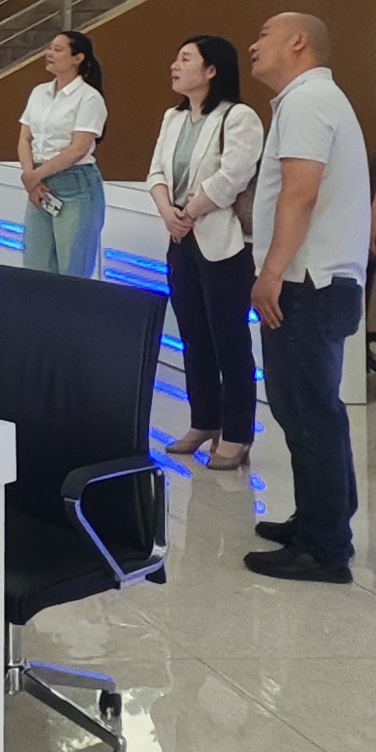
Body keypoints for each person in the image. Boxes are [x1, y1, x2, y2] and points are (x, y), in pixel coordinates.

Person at [242, 11, 373, 584]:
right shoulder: (310, 100)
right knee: (305, 410)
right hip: (317, 280)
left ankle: (324, 548)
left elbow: (300, 194)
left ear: (298, 43)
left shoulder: (307, 101)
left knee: (311, 412)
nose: (253, 45)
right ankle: (320, 519)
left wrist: (271, 271)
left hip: (307, 282)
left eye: (264, 34)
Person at [146, 35, 266, 470]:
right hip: (181, 240)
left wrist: (190, 212)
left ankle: (237, 433)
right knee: (193, 336)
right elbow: (156, 171)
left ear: (211, 70)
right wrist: (168, 213)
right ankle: (204, 421)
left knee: (228, 339)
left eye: (185, 59)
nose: (174, 66)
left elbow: (233, 175)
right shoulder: (173, 117)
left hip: (222, 243)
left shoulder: (239, 117)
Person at [16, 29, 109, 277]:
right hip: (39, 183)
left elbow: (78, 149)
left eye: (58, 49)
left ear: (78, 58)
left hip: (75, 184)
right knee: (36, 265)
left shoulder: (89, 98)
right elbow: (25, 138)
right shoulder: (39, 92)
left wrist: (34, 176)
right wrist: (30, 175)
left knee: (72, 268)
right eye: (50, 48)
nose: (49, 53)